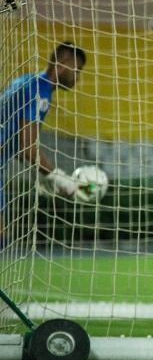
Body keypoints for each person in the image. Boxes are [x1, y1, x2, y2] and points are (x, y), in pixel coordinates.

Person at [0, 42, 89, 241]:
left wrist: (46, 177)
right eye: (78, 70)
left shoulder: (27, 82)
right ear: (63, 63)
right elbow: (29, 147)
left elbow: (22, 147)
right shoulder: (39, 92)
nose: (78, 78)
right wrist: (61, 179)